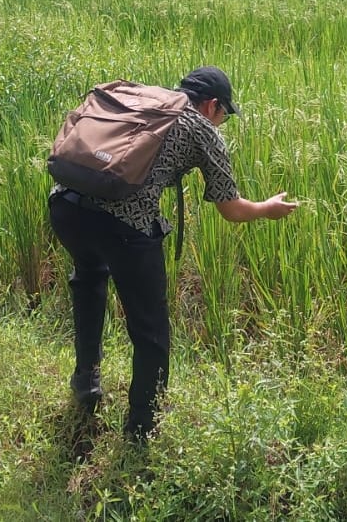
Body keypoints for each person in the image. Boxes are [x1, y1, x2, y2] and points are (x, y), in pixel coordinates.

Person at [49, 66, 299, 442]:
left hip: (65, 206)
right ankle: (142, 428)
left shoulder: (144, 99)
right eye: (225, 114)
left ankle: (86, 383)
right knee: (149, 328)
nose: (222, 122)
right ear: (212, 105)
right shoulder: (202, 129)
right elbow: (231, 209)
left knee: (89, 278)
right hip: (124, 225)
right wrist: (267, 208)